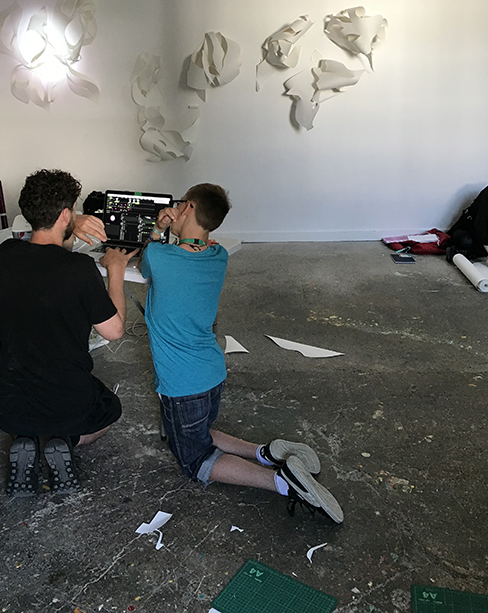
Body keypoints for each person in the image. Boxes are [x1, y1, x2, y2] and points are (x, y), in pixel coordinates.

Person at [140, 183, 344, 523]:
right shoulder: (218, 256)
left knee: (196, 460)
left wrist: (159, 228)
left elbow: (146, 263)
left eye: (180, 204)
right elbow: (184, 253)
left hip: (182, 385)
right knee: (199, 432)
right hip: (212, 373)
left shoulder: (160, 257)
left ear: (187, 207)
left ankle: (283, 482)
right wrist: (175, 233)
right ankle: (266, 453)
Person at [0, 169, 137, 498]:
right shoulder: (79, 270)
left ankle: (26, 439)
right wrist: (115, 270)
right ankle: (65, 441)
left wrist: (69, 221)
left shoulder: (6, 254)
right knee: (109, 411)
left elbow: (48, 259)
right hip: (69, 403)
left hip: (10, 406)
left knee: (29, 415)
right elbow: (114, 330)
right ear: (66, 215)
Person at [447, 182, 488, 270]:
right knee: (465, 240)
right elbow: (479, 224)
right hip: (470, 230)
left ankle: (469, 253)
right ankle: (460, 251)